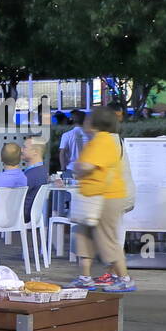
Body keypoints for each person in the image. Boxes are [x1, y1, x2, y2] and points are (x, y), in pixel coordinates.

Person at [69, 108, 134, 292]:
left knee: (107, 240)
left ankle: (124, 279)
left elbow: (87, 166)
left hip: (107, 197)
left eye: (88, 119)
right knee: (84, 237)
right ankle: (85, 277)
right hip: (92, 198)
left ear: (95, 122)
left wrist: (78, 167)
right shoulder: (96, 141)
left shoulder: (104, 140)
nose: (85, 121)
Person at [20, 137, 49, 219]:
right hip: (32, 215)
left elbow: (13, 194)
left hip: (21, 215)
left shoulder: (32, 174)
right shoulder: (42, 171)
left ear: (35, 152)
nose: (21, 150)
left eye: (24, 147)